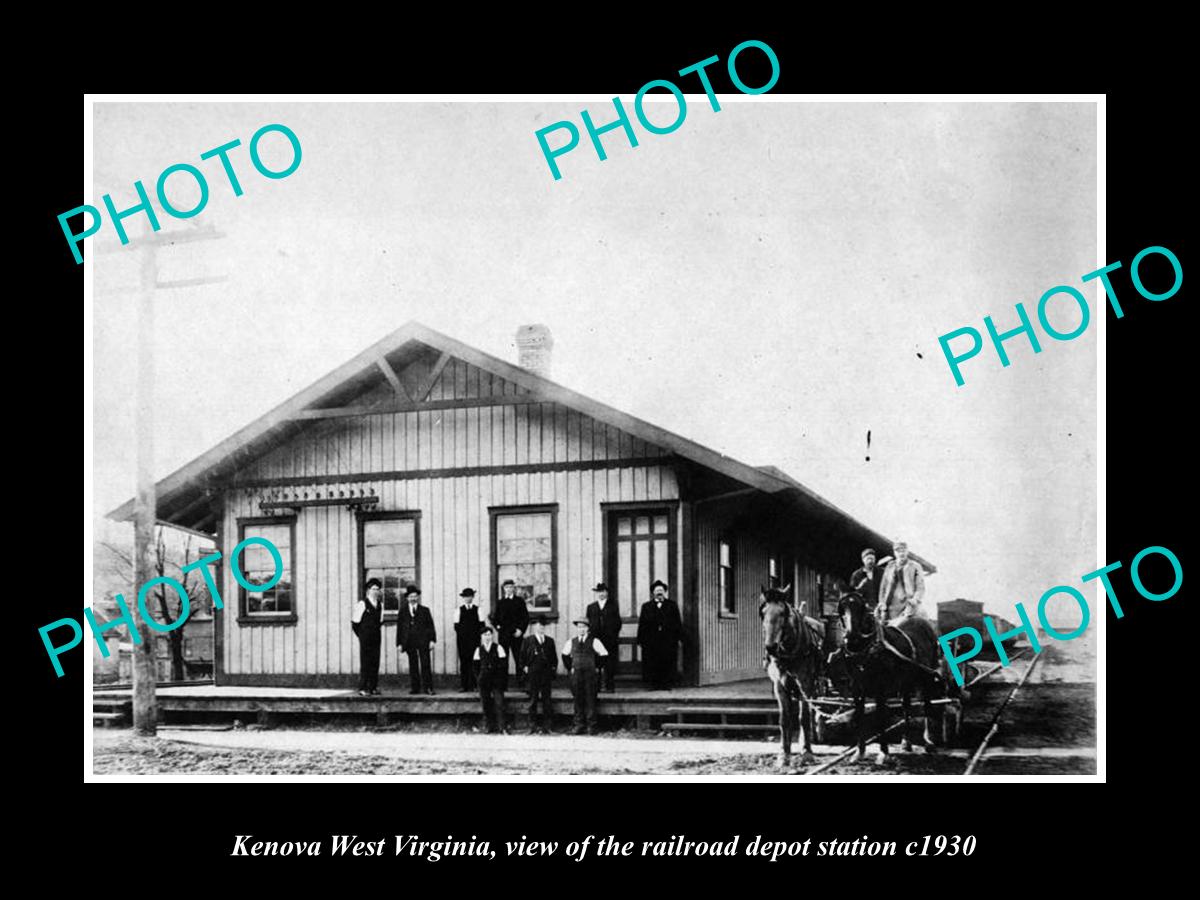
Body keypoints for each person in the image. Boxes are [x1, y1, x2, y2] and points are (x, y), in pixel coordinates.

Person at [561, 617, 608, 734]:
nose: (581, 629)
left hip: (590, 675)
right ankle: (579, 724)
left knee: (591, 699)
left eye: (584, 627)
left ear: (588, 628)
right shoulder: (571, 641)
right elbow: (564, 655)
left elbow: (604, 655)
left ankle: (591, 725)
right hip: (576, 674)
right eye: (579, 627)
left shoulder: (595, 641)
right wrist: (570, 668)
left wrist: (597, 667)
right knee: (578, 699)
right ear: (577, 629)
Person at [636, 580, 682, 690]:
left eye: (661, 590)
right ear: (653, 592)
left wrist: (678, 638)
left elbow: (677, 623)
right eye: (657, 590)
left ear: (665, 592)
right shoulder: (646, 606)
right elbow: (642, 623)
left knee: (667, 661)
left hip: (668, 640)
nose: (659, 592)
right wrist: (641, 639)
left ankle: (666, 684)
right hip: (651, 640)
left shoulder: (672, 605)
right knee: (652, 661)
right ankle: (653, 684)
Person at [520, 616, 557, 733]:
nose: (540, 628)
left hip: (545, 674)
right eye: (538, 626)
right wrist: (525, 667)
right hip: (533, 674)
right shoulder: (527, 640)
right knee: (533, 700)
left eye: (542, 626)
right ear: (534, 627)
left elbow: (554, 658)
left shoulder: (549, 641)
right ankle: (532, 726)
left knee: (547, 700)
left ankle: (547, 726)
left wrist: (552, 670)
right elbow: (522, 657)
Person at [396, 585, 436, 695]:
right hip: (409, 641)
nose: (413, 598)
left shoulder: (425, 610)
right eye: (411, 596)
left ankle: (428, 688)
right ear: (407, 598)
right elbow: (399, 628)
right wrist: (399, 643)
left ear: (418, 597)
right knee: (413, 664)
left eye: (415, 596)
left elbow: (430, 626)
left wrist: (432, 640)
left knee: (425, 663)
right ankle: (415, 688)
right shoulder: (403, 611)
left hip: (423, 640)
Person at [877, 541, 927, 625]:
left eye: (903, 550)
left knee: (920, 627)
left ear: (907, 551)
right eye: (898, 551)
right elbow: (883, 587)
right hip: (891, 607)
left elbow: (920, 587)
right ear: (894, 553)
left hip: (908, 606)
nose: (901, 553)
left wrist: (914, 601)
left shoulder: (915, 566)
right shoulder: (889, 567)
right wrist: (882, 602)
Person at [586, 582, 622, 693]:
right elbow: (588, 623)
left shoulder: (613, 606)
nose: (601, 594)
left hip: (609, 639)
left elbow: (618, 622)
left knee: (609, 662)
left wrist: (612, 634)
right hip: (596, 639)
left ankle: (609, 686)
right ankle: (597, 686)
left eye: (603, 592)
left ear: (607, 593)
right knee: (597, 662)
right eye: (599, 592)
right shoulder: (591, 607)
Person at [493, 578, 529, 685]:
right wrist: (499, 628)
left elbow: (525, 618)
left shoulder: (519, 601)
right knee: (503, 658)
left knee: (519, 658)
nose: (509, 589)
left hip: (516, 635)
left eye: (511, 587)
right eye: (507, 587)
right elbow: (495, 619)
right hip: (504, 635)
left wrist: (521, 630)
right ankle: (503, 683)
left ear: (514, 588)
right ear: (504, 589)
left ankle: (520, 682)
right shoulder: (500, 602)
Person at [351, 578, 384, 696]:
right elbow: (355, 623)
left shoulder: (380, 605)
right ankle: (363, 688)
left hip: (376, 637)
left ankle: (373, 687)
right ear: (368, 590)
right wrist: (362, 636)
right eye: (373, 589)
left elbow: (380, 621)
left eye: (377, 589)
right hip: (365, 638)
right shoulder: (362, 604)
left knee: (375, 662)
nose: (375, 591)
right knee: (365, 662)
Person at [473, 626, 509, 733]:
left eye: (489, 634)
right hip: (484, 681)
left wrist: (501, 680)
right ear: (481, 637)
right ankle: (488, 727)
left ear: (492, 636)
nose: (487, 637)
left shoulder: (498, 648)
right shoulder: (478, 650)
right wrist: (479, 678)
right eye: (485, 635)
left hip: (496, 681)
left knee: (499, 704)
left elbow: (504, 666)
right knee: (486, 704)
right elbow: (475, 667)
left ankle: (502, 727)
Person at [454, 588, 484, 692]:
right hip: (463, 641)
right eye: (466, 597)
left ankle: (475, 685)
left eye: (470, 596)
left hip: (475, 640)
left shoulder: (478, 609)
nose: (468, 598)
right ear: (463, 598)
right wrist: (464, 635)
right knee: (464, 662)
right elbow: (456, 626)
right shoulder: (459, 610)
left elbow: (482, 626)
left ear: (473, 597)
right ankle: (464, 685)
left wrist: (476, 636)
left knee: (475, 661)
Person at [849, 548, 883, 613]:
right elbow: (852, 593)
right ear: (863, 560)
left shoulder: (882, 572)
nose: (870, 561)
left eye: (872, 559)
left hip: (880, 607)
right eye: (868, 559)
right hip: (863, 608)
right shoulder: (856, 575)